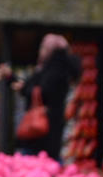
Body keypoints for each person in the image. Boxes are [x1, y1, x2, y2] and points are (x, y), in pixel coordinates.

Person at [16, 34, 82, 162]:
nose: (40, 51)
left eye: (43, 48)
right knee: (51, 158)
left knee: (36, 160)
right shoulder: (63, 68)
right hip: (54, 123)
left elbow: (43, 91)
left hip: (42, 124)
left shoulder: (52, 70)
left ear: (50, 50)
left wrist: (28, 89)